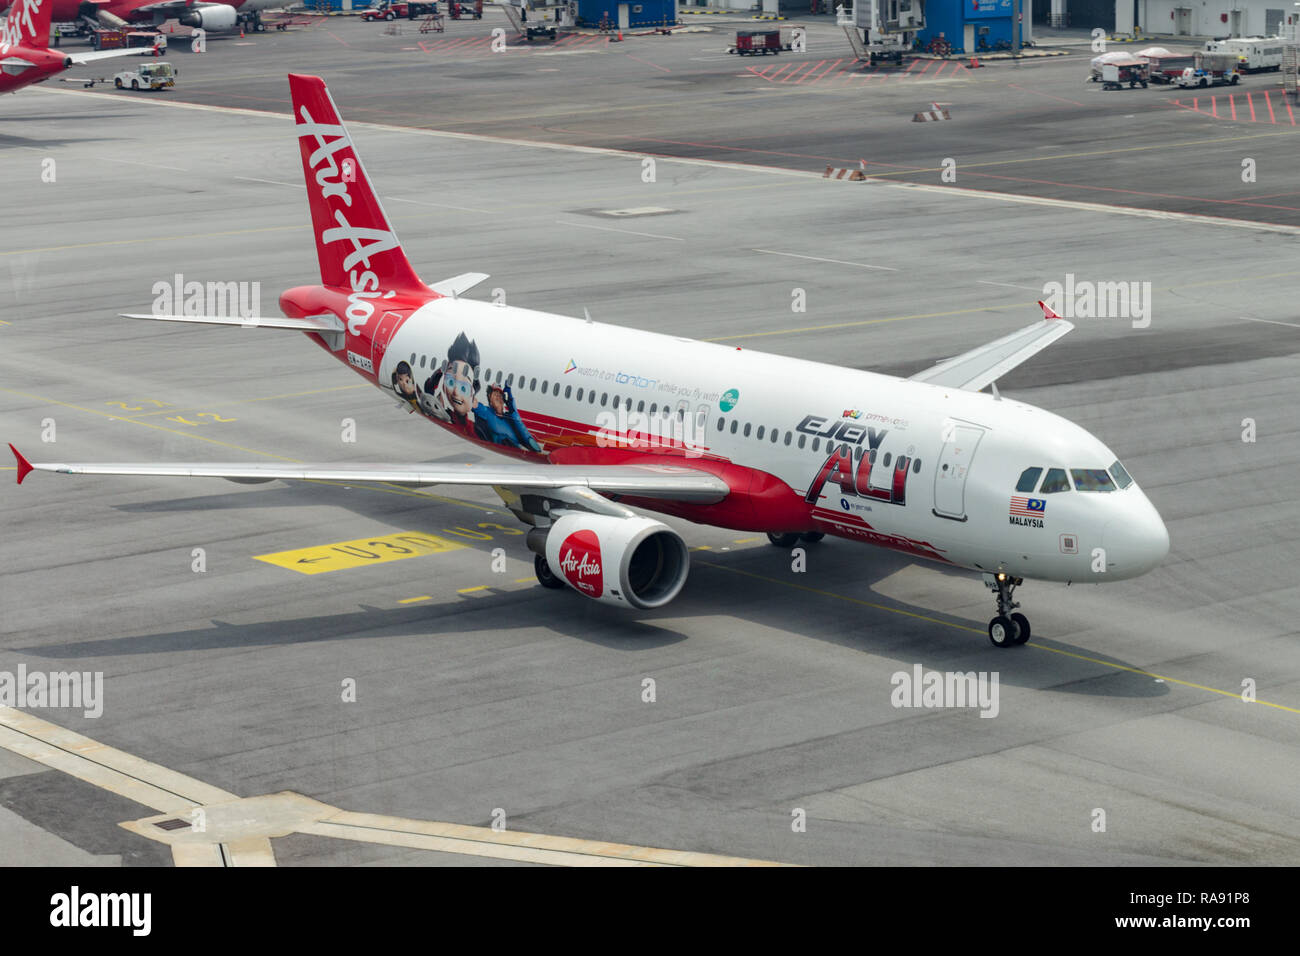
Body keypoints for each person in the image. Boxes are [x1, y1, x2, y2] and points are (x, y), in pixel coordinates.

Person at [474, 384, 544, 453]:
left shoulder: (510, 419)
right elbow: (474, 404)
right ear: (490, 398)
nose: (498, 397)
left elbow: (534, 446)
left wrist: (512, 407)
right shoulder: (486, 412)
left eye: (500, 395)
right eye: (495, 394)